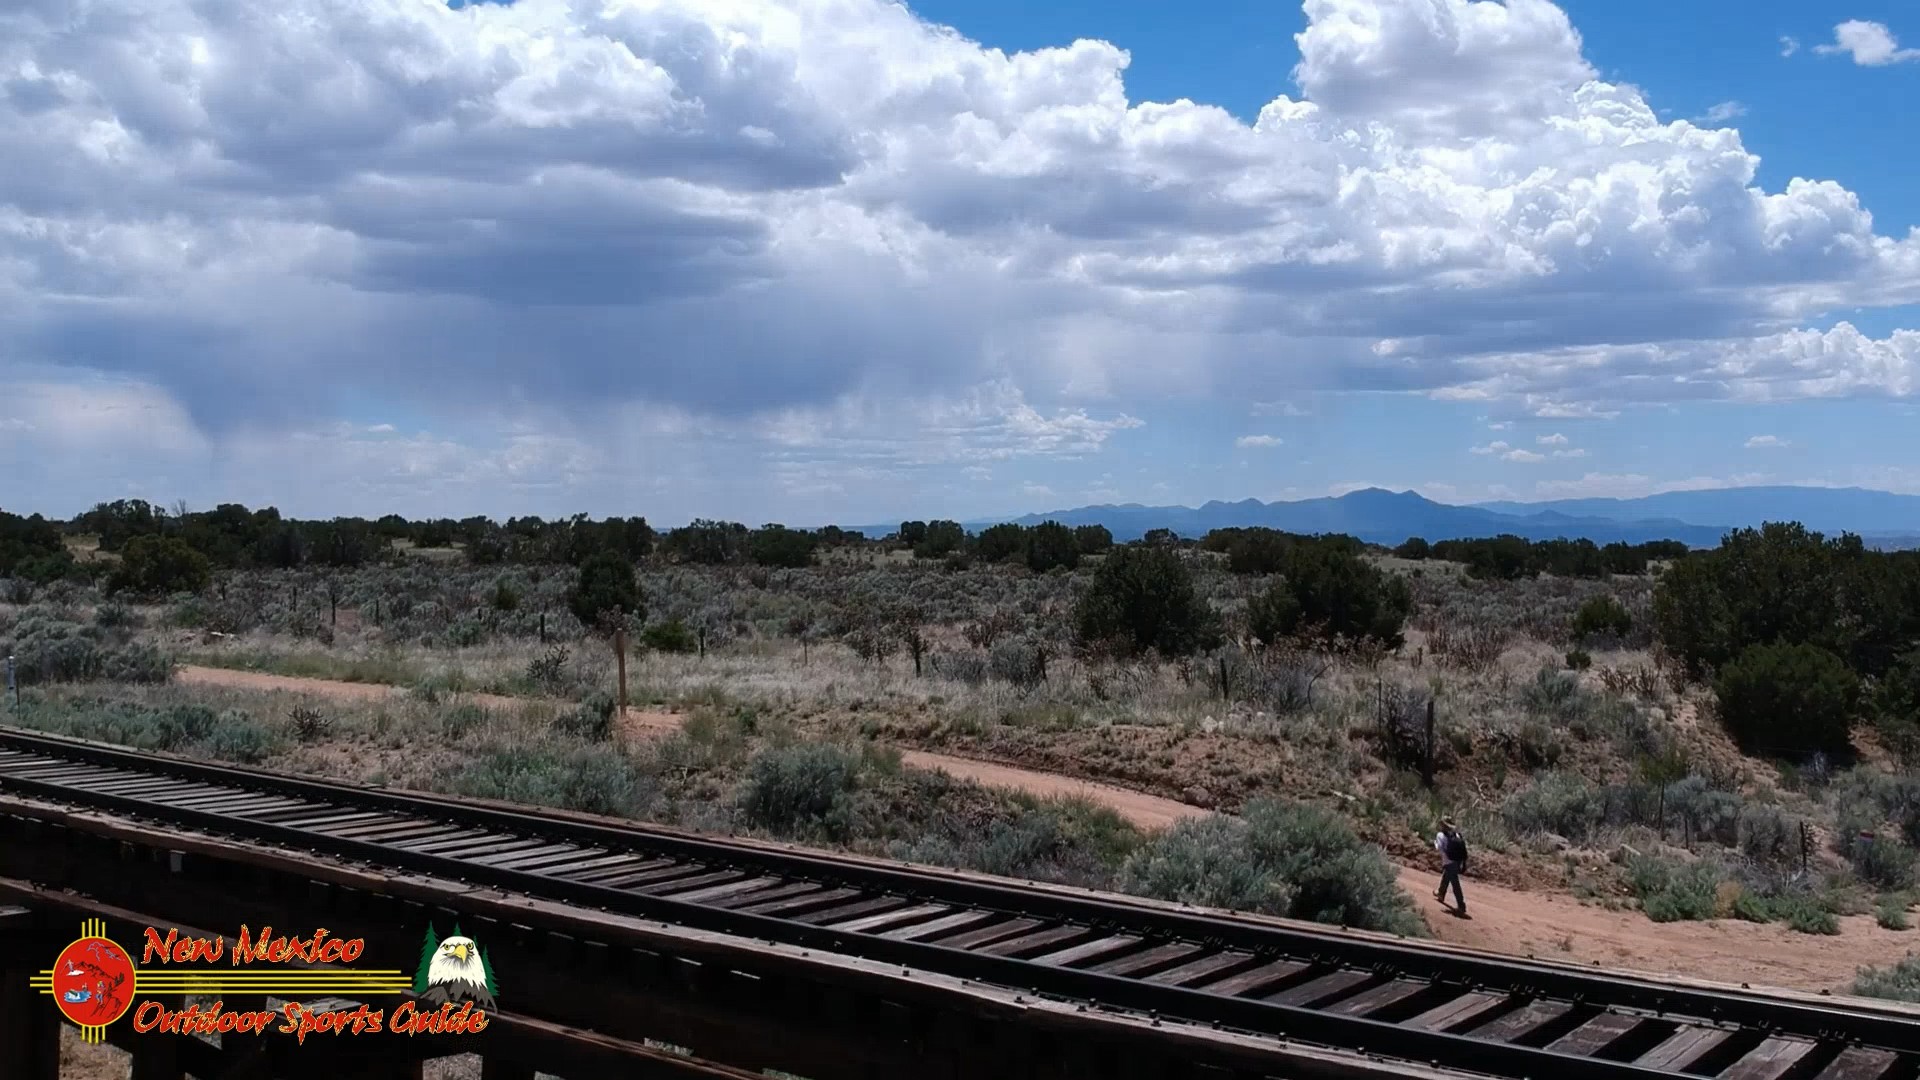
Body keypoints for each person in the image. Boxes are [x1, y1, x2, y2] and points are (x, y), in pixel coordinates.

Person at [1433, 817, 1467, 915]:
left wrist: (1434, 843)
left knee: (1455, 884)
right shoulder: (1457, 835)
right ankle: (1441, 893)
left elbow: (1439, 848)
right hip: (1457, 861)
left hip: (1448, 861)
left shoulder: (1440, 835)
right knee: (1446, 876)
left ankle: (1461, 906)